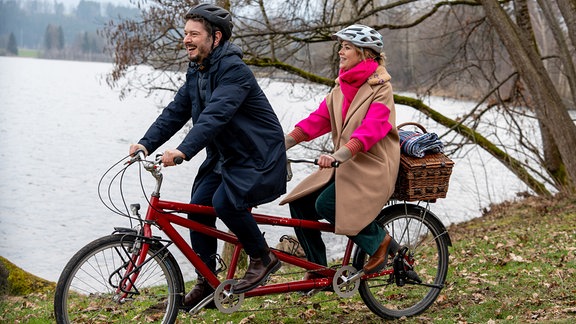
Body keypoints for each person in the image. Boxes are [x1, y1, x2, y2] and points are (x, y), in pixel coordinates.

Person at [129, 3, 285, 307]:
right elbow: (176, 111)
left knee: (225, 202)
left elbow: (216, 115)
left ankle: (262, 257)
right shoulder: (198, 69)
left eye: (194, 34)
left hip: (257, 156)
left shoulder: (234, 71)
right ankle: (207, 284)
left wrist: (184, 150)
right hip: (225, 156)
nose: (186, 39)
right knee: (197, 209)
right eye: (185, 33)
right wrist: (146, 143)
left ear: (215, 37)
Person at [280, 24, 401, 278]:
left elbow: (371, 129)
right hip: (346, 166)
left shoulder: (381, 88)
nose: (340, 52)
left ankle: (379, 242)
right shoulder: (341, 87)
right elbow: (318, 120)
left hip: (371, 167)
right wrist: (285, 142)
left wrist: (338, 155)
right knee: (300, 203)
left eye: (347, 47)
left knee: (327, 203)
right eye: (341, 47)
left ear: (364, 53)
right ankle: (318, 269)